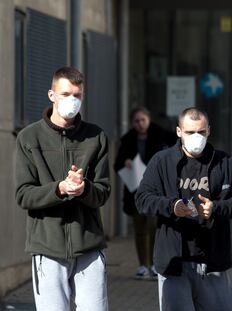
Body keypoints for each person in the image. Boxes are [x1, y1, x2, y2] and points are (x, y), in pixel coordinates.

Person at [14, 67, 110, 310]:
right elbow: (24, 195)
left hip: (88, 246)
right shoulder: (29, 137)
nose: (72, 101)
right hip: (47, 249)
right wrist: (59, 189)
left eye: (77, 95)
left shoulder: (95, 137)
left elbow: (103, 191)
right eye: (66, 94)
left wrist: (83, 189)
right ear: (51, 95)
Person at [135, 107, 232, 311]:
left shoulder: (223, 162)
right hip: (174, 263)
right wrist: (173, 207)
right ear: (179, 132)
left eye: (201, 132)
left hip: (213, 261)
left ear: (209, 131)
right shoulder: (162, 161)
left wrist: (216, 208)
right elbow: (142, 199)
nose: (196, 137)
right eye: (190, 132)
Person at [114, 106, 175, 280]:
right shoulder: (127, 140)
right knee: (140, 228)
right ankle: (143, 265)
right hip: (135, 189)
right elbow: (117, 163)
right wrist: (124, 161)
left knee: (154, 226)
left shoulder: (161, 135)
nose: (140, 124)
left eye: (143, 120)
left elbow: (175, 151)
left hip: (156, 189)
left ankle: (155, 264)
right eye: (136, 121)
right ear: (132, 123)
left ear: (149, 120)